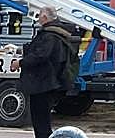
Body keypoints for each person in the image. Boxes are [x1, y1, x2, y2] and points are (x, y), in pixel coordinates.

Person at [19, 7, 80, 138]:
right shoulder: (59, 33)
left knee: (40, 119)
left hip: (43, 83)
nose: (38, 17)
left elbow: (40, 56)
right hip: (51, 81)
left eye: (40, 15)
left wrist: (20, 62)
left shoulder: (49, 36)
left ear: (45, 18)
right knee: (43, 118)